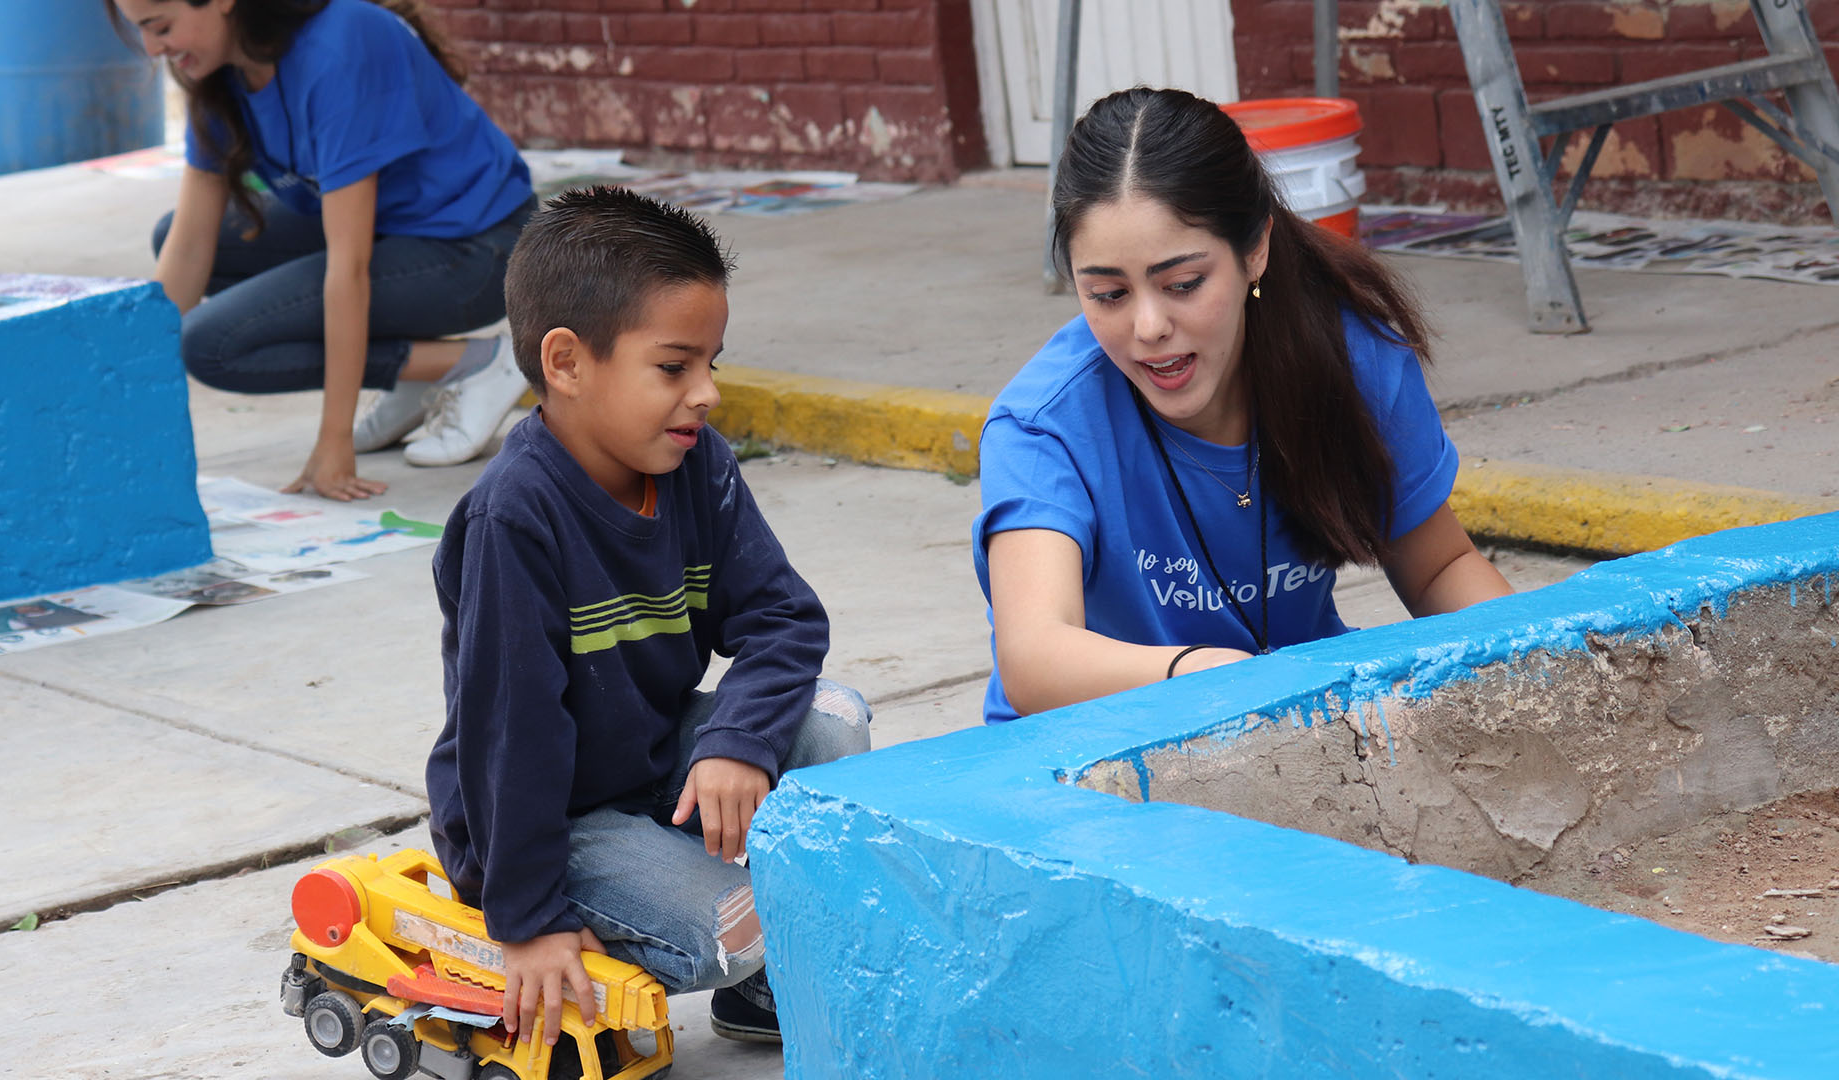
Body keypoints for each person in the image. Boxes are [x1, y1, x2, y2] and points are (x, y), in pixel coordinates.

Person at [425, 187, 872, 1049]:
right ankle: (610, 940)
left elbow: (784, 618)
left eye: (711, 361)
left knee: (836, 719)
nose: (705, 393)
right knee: (744, 925)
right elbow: (510, 734)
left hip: (653, 755)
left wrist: (736, 739)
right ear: (566, 362)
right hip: (551, 819)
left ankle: (760, 988)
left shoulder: (696, 465)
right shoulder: (512, 519)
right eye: (674, 367)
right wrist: (529, 917)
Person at [974, 87, 1514, 725]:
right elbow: (1035, 659)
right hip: (1096, 759)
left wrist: (1539, 664)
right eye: (1108, 294)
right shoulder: (1044, 428)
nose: (1148, 326)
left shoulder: (1353, 361)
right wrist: (1209, 675)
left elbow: (1441, 569)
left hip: (1311, 738)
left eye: (1183, 284)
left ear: (1255, 248)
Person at [107, 0, 537, 500]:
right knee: (173, 235)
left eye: (160, 27)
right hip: (393, 234)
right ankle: (427, 368)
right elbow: (187, 249)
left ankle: (484, 362)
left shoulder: (338, 46)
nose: (150, 49)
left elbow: (348, 269)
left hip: (481, 251)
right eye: (140, 31)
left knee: (210, 345)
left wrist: (334, 442)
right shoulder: (220, 75)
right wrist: (123, 397)